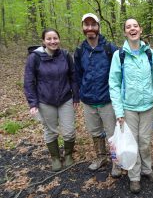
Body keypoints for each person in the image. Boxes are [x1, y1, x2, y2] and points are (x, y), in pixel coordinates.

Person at [109, 18, 153, 194]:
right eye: (128, 27)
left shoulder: (150, 54)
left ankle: (147, 169)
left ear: (140, 29)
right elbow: (114, 84)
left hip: (148, 107)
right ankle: (134, 176)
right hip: (128, 108)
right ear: (125, 32)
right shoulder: (120, 55)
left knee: (145, 142)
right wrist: (119, 111)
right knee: (131, 144)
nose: (132, 29)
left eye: (135, 26)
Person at [24, 28, 79, 172]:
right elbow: (29, 81)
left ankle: (68, 155)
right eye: (49, 39)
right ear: (43, 41)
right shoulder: (35, 58)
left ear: (59, 39)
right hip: (45, 100)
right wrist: (33, 103)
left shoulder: (66, 55)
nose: (52, 41)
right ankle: (55, 158)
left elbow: (73, 77)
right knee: (50, 130)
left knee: (69, 130)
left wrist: (76, 96)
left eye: (55, 38)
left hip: (65, 98)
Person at [73, 13, 121, 177]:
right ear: (83, 28)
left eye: (93, 24)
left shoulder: (110, 48)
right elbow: (78, 74)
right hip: (88, 101)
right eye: (86, 25)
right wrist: (80, 94)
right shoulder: (80, 51)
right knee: (95, 132)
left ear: (99, 27)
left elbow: (119, 73)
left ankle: (116, 162)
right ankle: (101, 157)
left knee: (113, 134)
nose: (90, 28)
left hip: (107, 100)